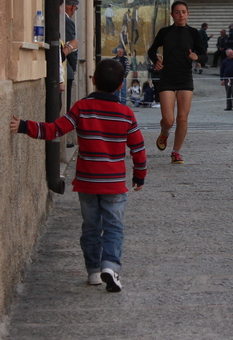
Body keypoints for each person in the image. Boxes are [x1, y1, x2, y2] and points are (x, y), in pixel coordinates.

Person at [9, 59, 147, 292]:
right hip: (113, 184)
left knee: (91, 227)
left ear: (93, 80)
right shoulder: (126, 114)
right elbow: (138, 148)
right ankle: (110, 267)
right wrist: (139, 175)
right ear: (121, 86)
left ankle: (93, 271)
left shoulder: (82, 107)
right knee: (114, 227)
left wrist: (24, 126)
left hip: (87, 182)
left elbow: (55, 129)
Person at [147, 0, 208, 165]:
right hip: (167, 77)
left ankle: (176, 152)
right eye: (177, 12)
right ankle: (164, 131)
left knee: (182, 118)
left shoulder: (194, 33)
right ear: (172, 15)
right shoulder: (165, 32)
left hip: (185, 77)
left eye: (183, 12)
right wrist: (155, 60)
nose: (181, 15)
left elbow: (204, 56)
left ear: (188, 14)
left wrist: (197, 58)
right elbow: (152, 50)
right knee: (169, 119)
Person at [64, 0, 80, 112]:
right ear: (72, 7)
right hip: (65, 67)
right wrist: (73, 68)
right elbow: (72, 47)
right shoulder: (68, 21)